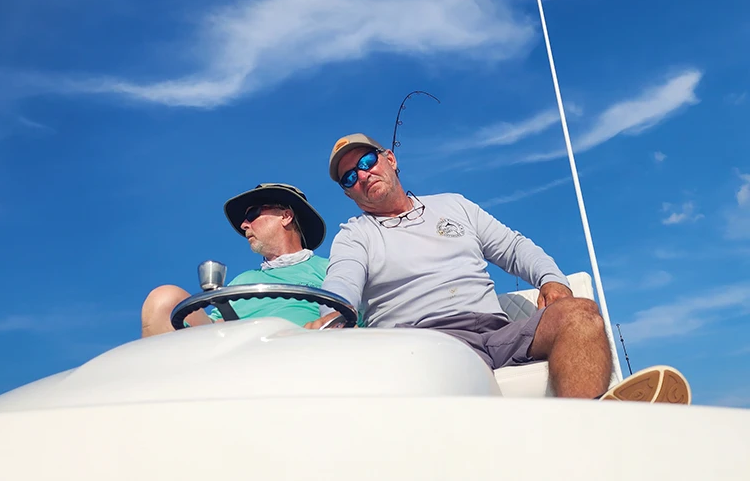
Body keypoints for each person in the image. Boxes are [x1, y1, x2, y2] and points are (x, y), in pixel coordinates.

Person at [306, 133, 691, 404]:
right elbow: (342, 283)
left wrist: (552, 279)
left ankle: (584, 428)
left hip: (499, 332)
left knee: (581, 315)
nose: (363, 175)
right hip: (428, 342)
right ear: (349, 193)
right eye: (349, 177)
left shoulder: (455, 205)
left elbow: (514, 246)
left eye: (367, 161)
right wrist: (333, 317)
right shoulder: (355, 234)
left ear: (390, 159)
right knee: (448, 369)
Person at [141, 183, 329, 337]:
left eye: (252, 214)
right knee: (165, 298)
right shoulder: (241, 282)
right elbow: (216, 324)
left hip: (305, 356)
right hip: (236, 358)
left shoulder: (329, 269)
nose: (244, 224)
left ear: (285, 216)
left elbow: (352, 317)